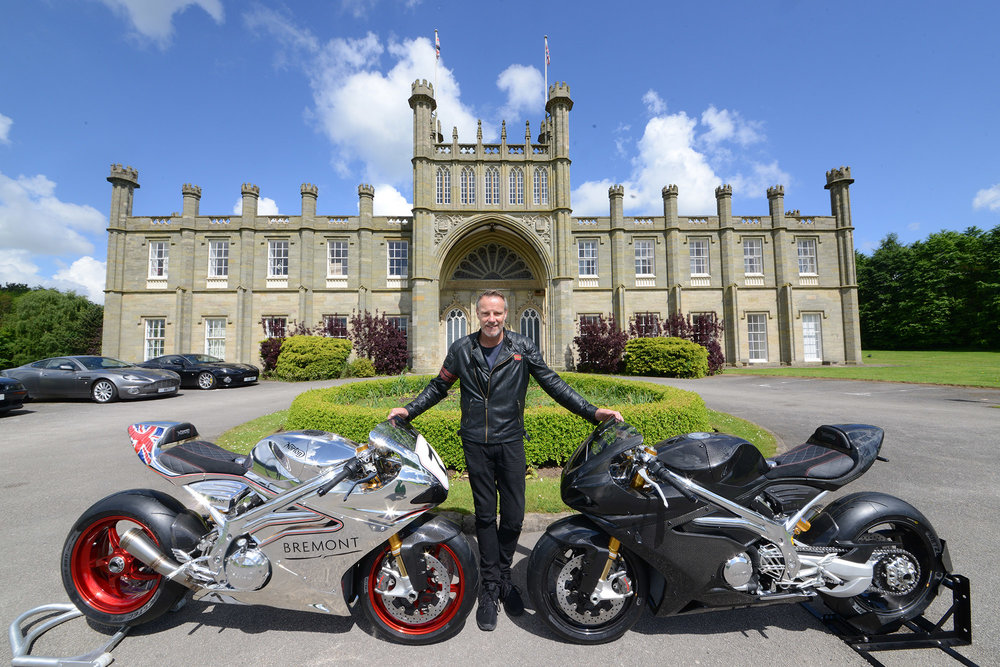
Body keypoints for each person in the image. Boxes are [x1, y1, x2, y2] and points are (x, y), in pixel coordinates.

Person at [387, 289, 622, 631]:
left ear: (506, 315)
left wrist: (592, 412)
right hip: (476, 444)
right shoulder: (462, 350)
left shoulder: (522, 348)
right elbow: (439, 387)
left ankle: (505, 577)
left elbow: (554, 384)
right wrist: (409, 409)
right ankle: (489, 588)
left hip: (511, 442)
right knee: (485, 515)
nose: (491, 319)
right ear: (477, 315)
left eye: (497, 313)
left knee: (513, 516)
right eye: (485, 314)